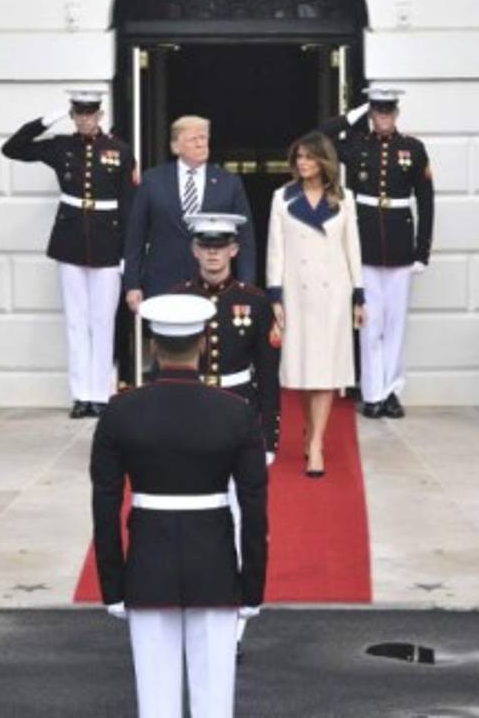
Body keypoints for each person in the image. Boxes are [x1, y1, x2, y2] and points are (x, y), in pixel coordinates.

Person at [91, 293, 268, 718]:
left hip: (148, 567)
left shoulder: (120, 413)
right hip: (215, 568)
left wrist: (112, 585)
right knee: (214, 706)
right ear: (204, 345)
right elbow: (255, 508)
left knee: (156, 704)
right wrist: (252, 587)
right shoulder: (236, 413)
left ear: (153, 346)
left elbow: (105, 506)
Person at [173, 211, 280, 656]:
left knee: (239, 518)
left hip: (237, 417)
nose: (213, 253)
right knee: (190, 515)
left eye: (221, 246)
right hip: (192, 417)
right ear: (195, 249)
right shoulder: (176, 299)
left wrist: (269, 436)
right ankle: (190, 602)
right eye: (205, 245)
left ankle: (233, 616)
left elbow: (269, 376)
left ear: (235, 250)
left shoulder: (254, 302)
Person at [1, 90, 136, 419]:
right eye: (79, 114)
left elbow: (129, 205)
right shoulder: (61, 146)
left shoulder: (119, 150)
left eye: (91, 114)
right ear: (73, 115)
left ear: (100, 115)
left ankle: (102, 393)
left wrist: (127, 255)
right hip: (70, 241)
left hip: (107, 243)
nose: (86, 120)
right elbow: (12, 148)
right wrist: (49, 119)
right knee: (76, 322)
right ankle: (81, 395)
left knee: (102, 322)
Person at [319, 87, 434, 420]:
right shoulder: (356, 146)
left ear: (396, 114)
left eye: (388, 112)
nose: (383, 118)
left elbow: (426, 201)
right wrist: (352, 114)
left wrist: (422, 250)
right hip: (365, 244)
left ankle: (392, 391)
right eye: (377, 112)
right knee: (370, 323)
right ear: (371, 115)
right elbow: (319, 137)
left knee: (396, 323)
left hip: (400, 245)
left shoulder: (413, 149)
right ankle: (372, 393)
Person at [266, 131, 365, 478]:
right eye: (299, 158)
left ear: (324, 161)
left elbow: (352, 248)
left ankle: (317, 443)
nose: (303, 163)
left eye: (309, 157)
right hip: (297, 292)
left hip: (333, 294)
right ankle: (310, 430)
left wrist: (358, 295)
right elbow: (275, 250)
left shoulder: (345, 199)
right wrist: (275, 295)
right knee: (305, 372)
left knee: (325, 372)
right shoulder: (282, 198)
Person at [122, 115, 256, 311]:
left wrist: (246, 285)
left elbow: (245, 238)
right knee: (165, 341)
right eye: (194, 139)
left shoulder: (229, 182)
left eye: (204, 138)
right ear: (176, 146)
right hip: (162, 283)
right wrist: (132, 285)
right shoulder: (153, 181)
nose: (201, 144)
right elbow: (135, 236)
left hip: (212, 286)